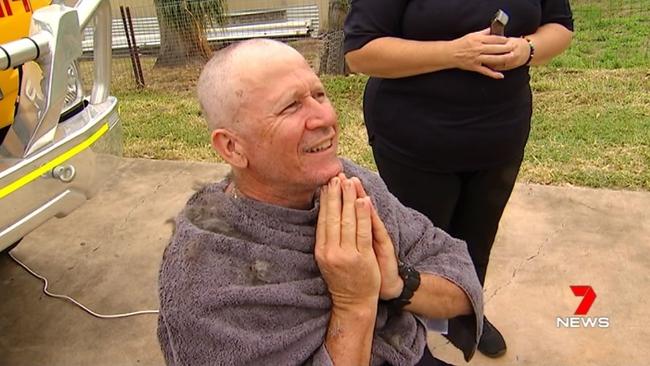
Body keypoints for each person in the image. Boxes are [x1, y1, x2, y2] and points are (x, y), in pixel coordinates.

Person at [157, 39, 484, 365]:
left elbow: (458, 278)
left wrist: (397, 283)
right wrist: (353, 303)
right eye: (290, 106)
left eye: (319, 94)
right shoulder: (202, 278)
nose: (325, 117)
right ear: (232, 147)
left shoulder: (351, 185)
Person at [343, 0, 574, 358]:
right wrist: (454, 53)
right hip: (415, 142)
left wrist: (525, 50)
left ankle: (466, 316)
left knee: (477, 242)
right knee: (417, 249)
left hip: (500, 136)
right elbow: (360, 53)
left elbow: (560, 26)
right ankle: (409, 333)